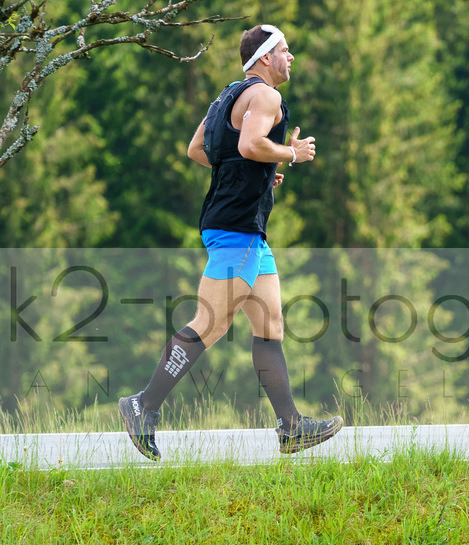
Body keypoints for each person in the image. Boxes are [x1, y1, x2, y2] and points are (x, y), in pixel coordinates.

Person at [119, 24, 344, 460]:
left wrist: (256, 173)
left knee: (270, 326)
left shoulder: (229, 93)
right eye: (284, 50)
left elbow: (199, 147)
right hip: (237, 228)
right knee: (210, 323)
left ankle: (291, 427)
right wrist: (290, 154)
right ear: (264, 57)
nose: (291, 56)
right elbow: (252, 142)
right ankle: (142, 406)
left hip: (245, 231)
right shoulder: (265, 96)